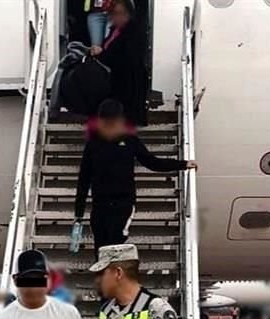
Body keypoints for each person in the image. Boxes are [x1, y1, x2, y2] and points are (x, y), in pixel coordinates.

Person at [75, 99, 197, 256]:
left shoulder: (130, 141)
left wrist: (183, 164)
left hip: (123, 202)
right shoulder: (93, 144)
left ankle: (114, 275)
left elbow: (152, 162)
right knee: (100, 245)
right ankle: (104, 277)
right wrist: (79, 211)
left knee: (115, 242)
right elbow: (84, 179)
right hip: (100, 203)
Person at [91, 0, 148, 126]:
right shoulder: (115, 30)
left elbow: (126, 57)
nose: (117, 17)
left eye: (120, 13)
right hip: (117, 82)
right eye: (114, 13)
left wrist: (101, 54)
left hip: (129, 84)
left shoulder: (133, 32)